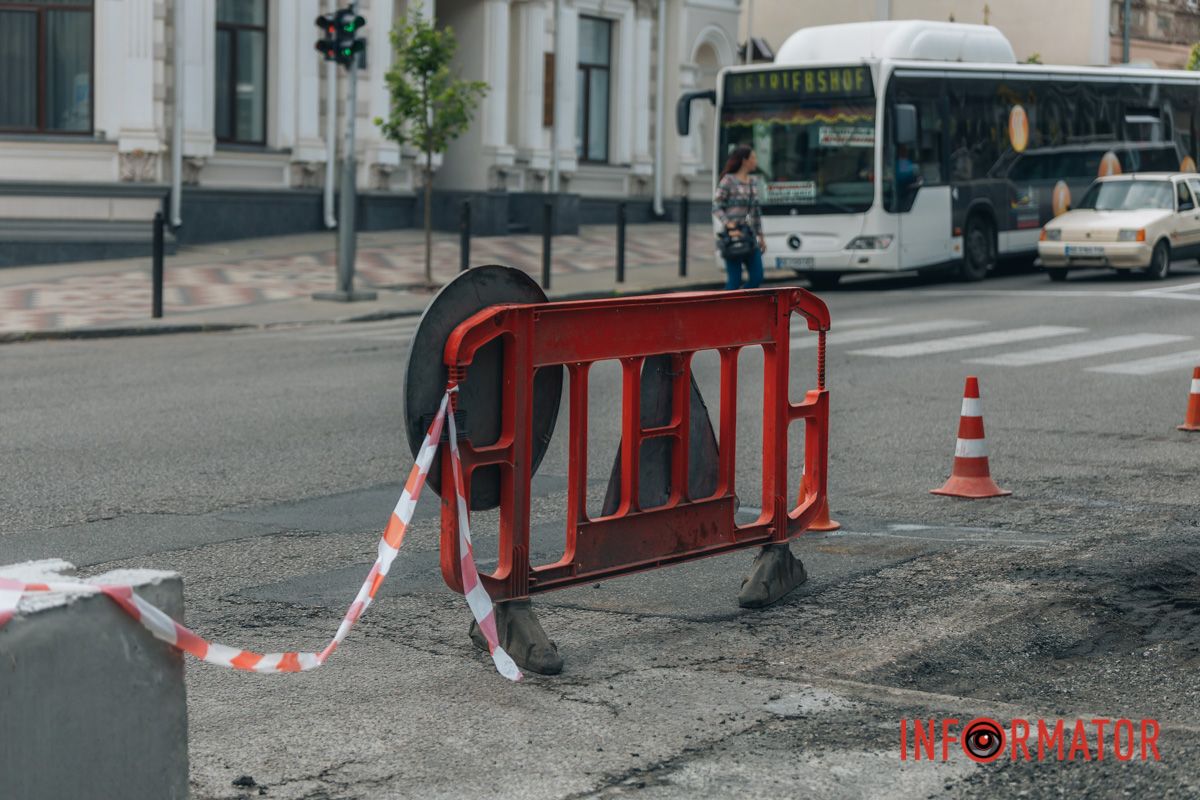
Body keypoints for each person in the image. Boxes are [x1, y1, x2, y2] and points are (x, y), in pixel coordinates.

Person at [712, 145, 766, 290]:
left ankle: (741, 303)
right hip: (732, 236)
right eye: (753, 158)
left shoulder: (753, 182)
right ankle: (724, 310)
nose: (756, 161)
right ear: (744, 161)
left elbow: (755, 212)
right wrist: (728, 223)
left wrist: (761, 236)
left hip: (748, 235)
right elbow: (716, 207)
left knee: (757, 277)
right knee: (734, 281)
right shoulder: (728, 181)